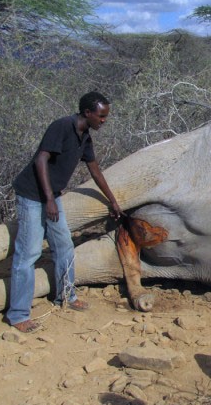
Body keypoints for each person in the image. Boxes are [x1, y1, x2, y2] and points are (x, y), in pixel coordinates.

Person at [7, 92, 124, 333]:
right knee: (28, 254)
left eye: (105, 117)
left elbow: (95, 171)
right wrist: (49, 199)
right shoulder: (61, 126)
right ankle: (18, 315)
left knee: (64, 245)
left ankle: (66, 296)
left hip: (52, 195)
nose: (104, 120)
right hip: (32, 194)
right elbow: (40, 160)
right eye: (101, 116)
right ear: (87, 113)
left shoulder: (85, 138)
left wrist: (112, 201)